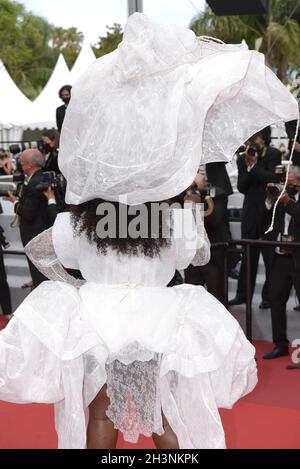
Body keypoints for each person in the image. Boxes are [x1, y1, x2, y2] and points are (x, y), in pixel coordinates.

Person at [0, 13, 298, 449]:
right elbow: (197, 257)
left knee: (101, 411)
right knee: (157, 411)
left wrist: (78, 286)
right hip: (154, 322)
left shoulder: (83, 222)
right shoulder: (173, 220)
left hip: (97, 320)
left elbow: (41, 250)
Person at [228, 134, 281, 308]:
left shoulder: (273, 154)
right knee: (248, 254)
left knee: (269, 257)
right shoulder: (244, 158)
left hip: (268, 211)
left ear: (264, 139)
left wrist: (255, 167)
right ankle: (243, 295)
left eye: (256, 139)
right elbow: (242, 186)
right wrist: (250, 167)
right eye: (250, 139)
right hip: (250, 212)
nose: (252, 143)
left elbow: (273, 178)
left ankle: (269, 297)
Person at [263, 166, 300, 359]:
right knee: (276, 299)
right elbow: (266, 213)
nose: (289, 185)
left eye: (292, 182)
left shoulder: (290, 200)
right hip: (280, 257)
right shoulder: (280, 198)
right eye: (287, 181)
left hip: (298, 257)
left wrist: (289, 203)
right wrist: (271, 197)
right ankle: (280, 343)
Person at [6, 149, 57, 288]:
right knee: (41, 271)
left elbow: (28, 213)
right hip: (42, 232)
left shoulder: (34, 183)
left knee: (39, 273)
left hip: (34, 235)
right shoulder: (42, 177)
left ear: (28, 165)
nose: (20, 166)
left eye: (22, 163)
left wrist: (15, 202)